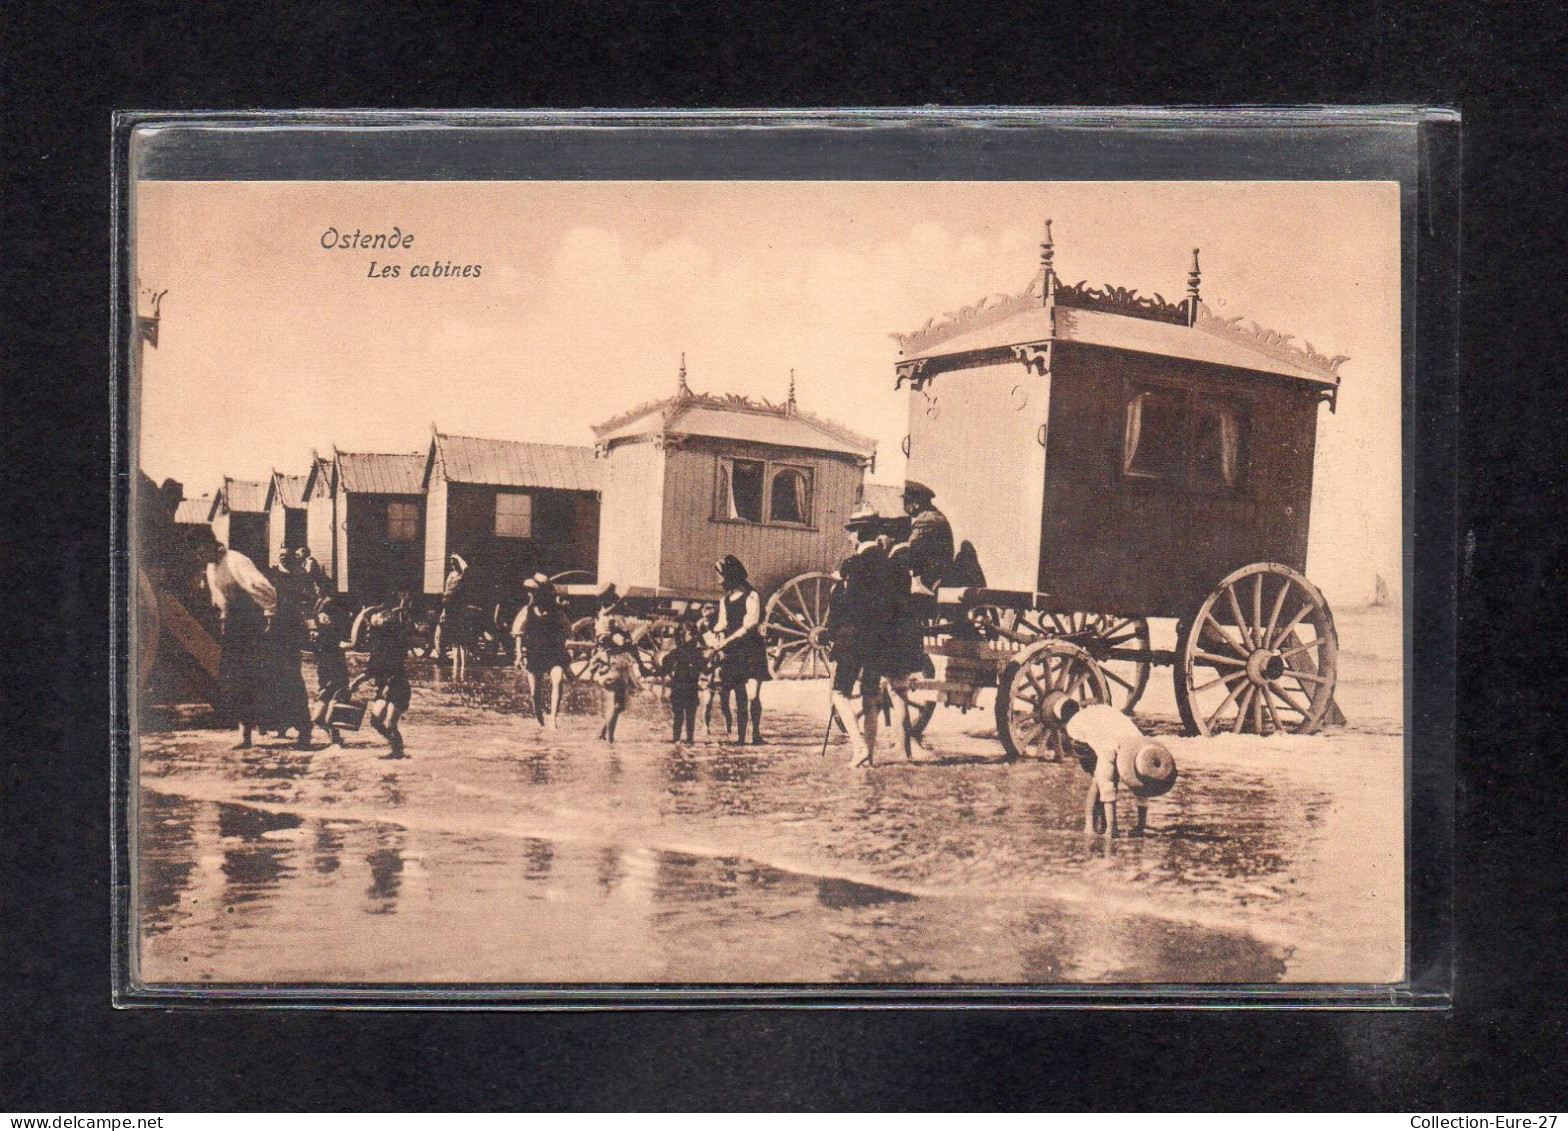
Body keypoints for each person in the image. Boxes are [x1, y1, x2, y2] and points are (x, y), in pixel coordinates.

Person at [824, 504, 902, 766]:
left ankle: (858, 747)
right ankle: (869, 753)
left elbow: (850, 604)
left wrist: (838, 587)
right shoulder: (890, 564)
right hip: (879, 638)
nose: (849, 538)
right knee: (871, 694)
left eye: (851, 532)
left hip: (853, 637)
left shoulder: (854, 564)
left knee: (839, 693)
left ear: (858, 533)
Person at [193, 527, 276, 750]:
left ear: (211, 544)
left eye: (202, 551)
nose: (201, 557)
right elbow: (218, 600)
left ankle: (277, 726)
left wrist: (269, 614)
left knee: (253, 677)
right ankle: (245, 734)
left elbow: (264, 588)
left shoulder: (236, 560)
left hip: (250, 625)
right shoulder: (211, 568)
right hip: (231, 627)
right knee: (233, 680)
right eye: (197, 554)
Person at [1063, 701, 1178, 837]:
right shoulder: (1138, 742)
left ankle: (1105, 826)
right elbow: (1137, 787)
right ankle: (1101, 826)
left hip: (1108, 737)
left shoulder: (1138, 745)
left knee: (1104, 781)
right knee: (1102, 780)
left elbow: (1137, 785)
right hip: (1099, 738)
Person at [711, 554, 771, 745]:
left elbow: (750, 625)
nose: (718, 580)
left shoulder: (751, 596)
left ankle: (756, 734)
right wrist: (716, 637)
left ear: (729, 576)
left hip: (751, 650)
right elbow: (721, 624)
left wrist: (726, 640)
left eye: (720, 575)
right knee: (740, 696)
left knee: (753, 695)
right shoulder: (725, 601)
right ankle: (741, 737)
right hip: (733, 653)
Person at [348, 589, 414, 759]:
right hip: (384, 688)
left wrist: (386, 686)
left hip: (397, 687)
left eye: (369, 627)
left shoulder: (392, 649)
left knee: (391, 724)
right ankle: (396, 748)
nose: (367, 631)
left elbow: (394, 671)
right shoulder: (377, 649)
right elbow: (370, 671)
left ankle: (397, 751)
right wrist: (355, 683)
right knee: (375, 722)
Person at [265, 550, 316, 747]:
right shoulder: (276, 575)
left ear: (295, 557)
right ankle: (281, 724)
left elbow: (305, 599)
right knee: (276, 677)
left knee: (293, 678)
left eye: (287, 554)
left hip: (291, 631)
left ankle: (304, 727)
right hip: (276, 630)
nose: (283, 557)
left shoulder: (300, 576)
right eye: (281, 554)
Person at [513, 573, 572, 728]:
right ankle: (540, 721)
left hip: (553, 653)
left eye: (535, 592)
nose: (532, 595)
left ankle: (552, 719)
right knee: (534, 694)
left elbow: (568, 631)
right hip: (534, 654)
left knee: (558, 680)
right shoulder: (528, 611)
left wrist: (565, 646)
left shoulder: (556, 611)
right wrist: (519, 654)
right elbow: (518, 632)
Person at [588, 622, 649, 744]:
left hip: (620, 675)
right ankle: (609, 739)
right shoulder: (610, 646)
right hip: (612, 676)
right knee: (616, 706)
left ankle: (602, 733)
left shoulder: (622, 647)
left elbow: (631, 653)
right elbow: (593, 666)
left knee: (619, 707)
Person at [308, 594, 354, 746]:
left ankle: (336, 742)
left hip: (332, 684)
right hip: (328, 682)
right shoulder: (327, 642)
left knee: (321, 717)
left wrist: (326, 688)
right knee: (324, 717)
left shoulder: (330, 644)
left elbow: (335, 672)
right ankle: (336, 740)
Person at [659, 623, 707, 744]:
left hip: (681, 687)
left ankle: (678, 739)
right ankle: (688, 739)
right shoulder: (696, 653)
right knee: (688, 716)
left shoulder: (678, 652)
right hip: (688, 687)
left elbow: (665, 664)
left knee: (679, 716)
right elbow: (704, 667)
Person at [696, 604, 731, 736]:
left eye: (708, 620)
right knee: (707, 703)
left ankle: (728, 729)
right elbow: (701, 650)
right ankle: (706, 727)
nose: (706, 623)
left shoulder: (721, 634)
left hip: (720, 673)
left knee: (724, 705)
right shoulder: (703, 634)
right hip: (710, 672)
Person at [436, 553, 472, 680]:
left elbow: (466, 567)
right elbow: (446, 591)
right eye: (451, 563)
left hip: (459, 611)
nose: (453, 566)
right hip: (449, 610)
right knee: (454, 640)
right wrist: (444, 611)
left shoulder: (463, 575)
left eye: (454, 563)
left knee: (462, 640)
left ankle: (464, 668)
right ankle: (456, 667)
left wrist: (459, 557)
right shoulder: (451, 576)